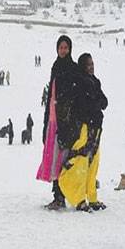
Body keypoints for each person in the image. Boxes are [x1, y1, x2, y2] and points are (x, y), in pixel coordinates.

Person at [58, 53, 108, 211]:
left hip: (96, 128)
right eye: (88, 65)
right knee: (81, 162)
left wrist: (95, 102)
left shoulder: (95, 82)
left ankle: (92, 197)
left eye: (92, 64)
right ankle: (79, 199)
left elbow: (104, 102)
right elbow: (86, 106)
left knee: (93, 162)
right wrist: (95, 103)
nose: (91, 67)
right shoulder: (79, 83)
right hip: (85, 128)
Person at [38, 35, 78, 210]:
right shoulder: (55, 67)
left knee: (62, 159)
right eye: (61, 47)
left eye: (66, 48)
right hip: (53, 120)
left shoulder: (73, 69)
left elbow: (74, 98)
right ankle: (57, 195)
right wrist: (46, 121)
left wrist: (68, 122)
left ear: (70, 49)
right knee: (54, 159)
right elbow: (51, 97)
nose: (63, 50)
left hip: (65, 122)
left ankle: (61, 196)